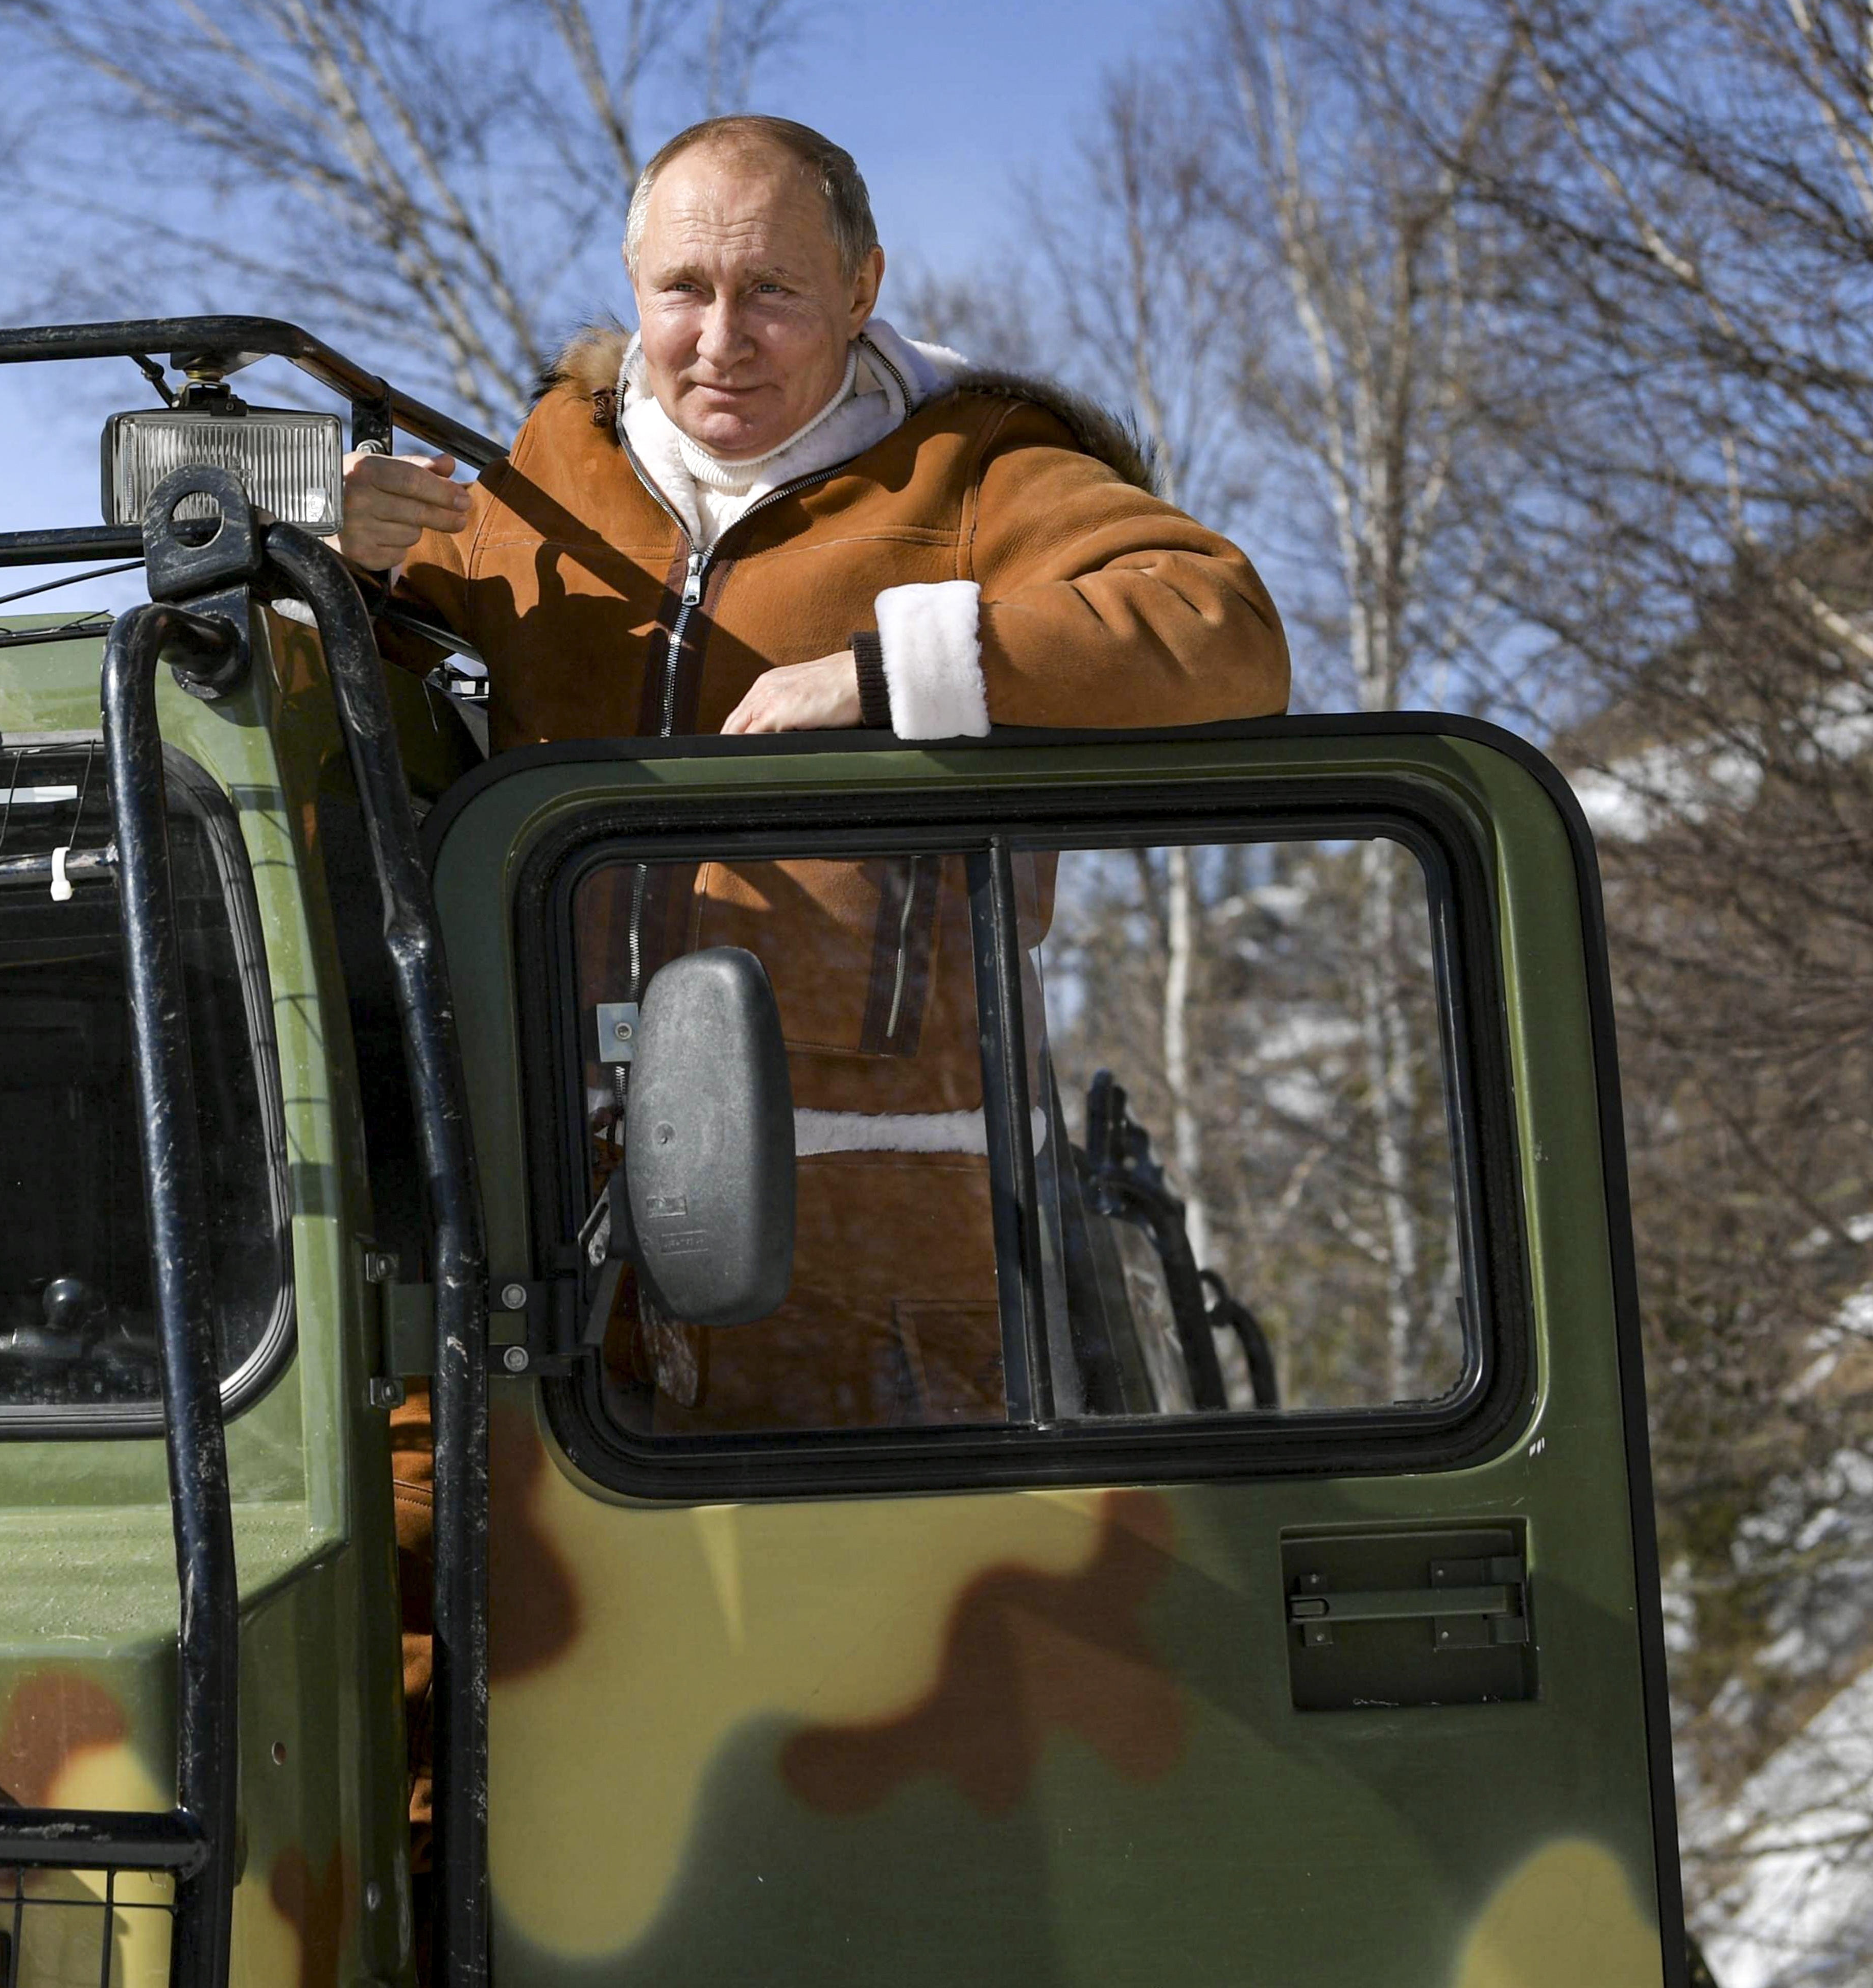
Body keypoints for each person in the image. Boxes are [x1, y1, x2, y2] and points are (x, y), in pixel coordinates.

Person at [343, 111, 1289, 1857]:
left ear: (863, 286)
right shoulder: (550, 477)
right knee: (453, 1731)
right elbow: (375, 713)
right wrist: (353, 559)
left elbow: (1218, 637)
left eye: (772, 291)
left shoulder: (972, 472)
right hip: (547, 1252)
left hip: (877, 1278)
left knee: (864, 1784)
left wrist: (898, 667)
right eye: (679, 290)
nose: (718, 340)